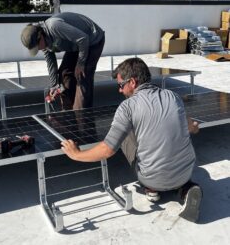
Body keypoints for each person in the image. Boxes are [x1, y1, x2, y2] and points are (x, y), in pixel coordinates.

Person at [61, 57, 203, 223]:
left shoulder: (127, 107)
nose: (120, 90)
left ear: (133, 82)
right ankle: (186, 189)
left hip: (152, 178)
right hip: (186, 172)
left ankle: (151, 189)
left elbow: (107, 149)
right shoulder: (173, 96)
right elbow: (189, 125)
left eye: (121, 85)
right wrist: (194, 127)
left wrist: (76, 154)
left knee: (125, 133)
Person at [21, 12, 105, 110]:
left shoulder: (54, 27)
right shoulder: (43, 42)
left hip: (92, 40)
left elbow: (83, 39)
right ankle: (68, 111)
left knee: (81, 76)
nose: (39, 49)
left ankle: (82, 115)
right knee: (64, 72)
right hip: (76, 45)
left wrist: (80, 63)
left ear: (40, 36)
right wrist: (54, 85)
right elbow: (51, 63)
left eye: (37, 47)